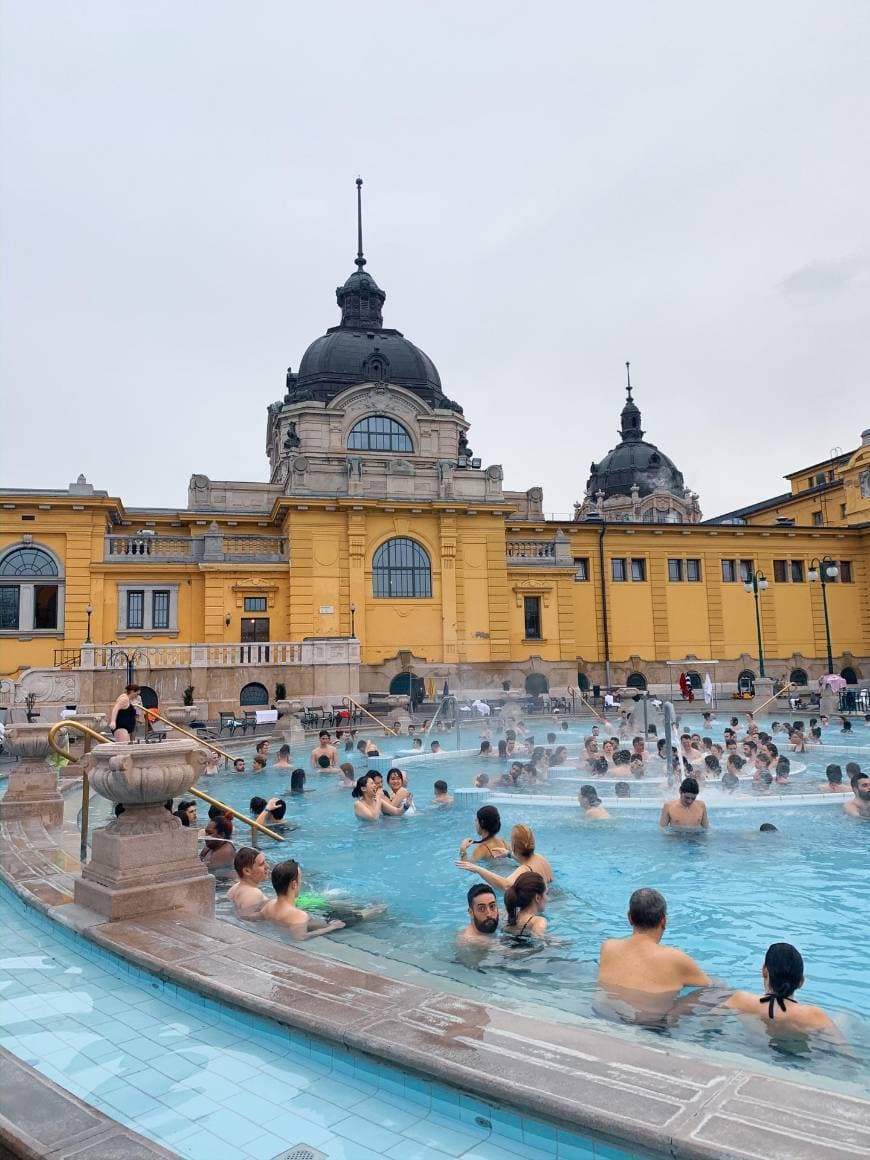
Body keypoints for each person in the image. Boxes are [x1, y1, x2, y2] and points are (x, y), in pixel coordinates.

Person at [597, 888, 710, 994]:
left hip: (601, 1012)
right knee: (719, 987)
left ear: (629, 917)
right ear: (663, 921)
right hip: (649, 1015)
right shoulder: (675, 959)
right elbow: (708, 988)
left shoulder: (608, 947)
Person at [724, 943, 835, 1031]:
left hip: (754, 1048)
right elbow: (845, 1052)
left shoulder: (741, 1000)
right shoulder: (814, 1016)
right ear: (801, 981)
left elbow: (710, 1022)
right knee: (843, 1018)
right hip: (795, 1057)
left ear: (764, 971)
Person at [261, 859, 345, 939]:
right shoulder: (300, 915)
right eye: (300, 879)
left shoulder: (270, 905)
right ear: (294, 884)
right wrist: (332, 928)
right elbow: (300, 937)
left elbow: (257, 916)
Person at [456, 822, 553, 890]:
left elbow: (505, 885)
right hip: (555, 895)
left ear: (514, 846)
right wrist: (508, 854)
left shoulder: (524, 870)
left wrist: (478, 869)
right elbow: (526, 861)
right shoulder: (540, 858)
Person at [227, 846, 269, 917]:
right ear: (247, 871)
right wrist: (268, 912)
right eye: (261, 864)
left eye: (265, 862)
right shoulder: (254, 893)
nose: (267, 866)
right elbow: (246, 919)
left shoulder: (234, 888)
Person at [504, 871, 548, 938]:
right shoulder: (538, 921)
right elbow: (540, 941)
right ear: (537, 898)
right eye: (546, 894)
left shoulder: (509, 915)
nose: (547, 898)